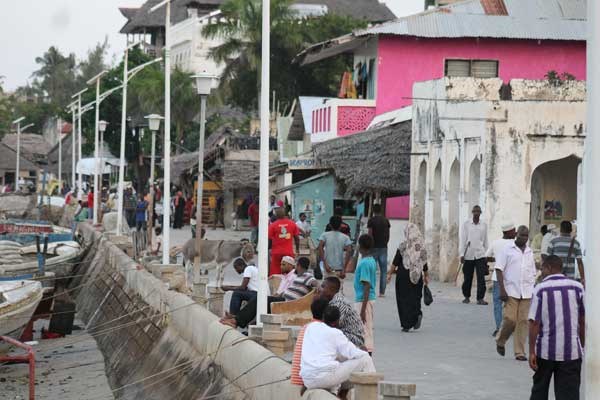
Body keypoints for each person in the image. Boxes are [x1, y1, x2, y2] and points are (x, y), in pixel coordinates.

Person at [528, 255, 585, 400]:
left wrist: (532, 351)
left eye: (542, 269)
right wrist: (581, 344)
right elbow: (582, 320)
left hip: (545, 352)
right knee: (569, 394)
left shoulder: (540, 289)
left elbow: (534, 323)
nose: (541, 272)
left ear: (549, 268)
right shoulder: (577, 288)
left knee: (539, 391)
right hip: (571, 352)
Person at [300, 301, 376, 398]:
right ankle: (373, 394)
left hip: (308, 379)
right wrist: (363, 351)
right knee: (365, 359)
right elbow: (353, 353)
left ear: (323, 318)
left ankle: (334, 392)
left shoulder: (311, 327)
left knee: (335, 360)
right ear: (337, 321)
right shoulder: (336, 333)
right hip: (324, 378)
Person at [220, 257, 317, 329]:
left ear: (298, 265)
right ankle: (236, 318)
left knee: (260, 299)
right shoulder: (299, 276)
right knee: (260, 300)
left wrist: (318, 288)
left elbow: (314, 282)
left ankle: (236, 321)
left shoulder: (307, 275)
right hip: (284, 299)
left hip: (287, 303)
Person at [495, 225, 537, 361]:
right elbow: (499, 269)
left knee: (523, 322)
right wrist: (502, 289)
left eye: (526, 236)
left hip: (527, 291)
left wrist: (533, 288)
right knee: (510, 319)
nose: (523, 238)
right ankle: (501, 340)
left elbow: (533, 271)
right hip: (511, 291)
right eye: (521, 235)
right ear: (516, 235)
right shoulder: (507, 249)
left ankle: (520, 352)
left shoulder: (529, 252)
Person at [387, 223, 429, 332]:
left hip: (403, 276)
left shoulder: (403, 245)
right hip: (416, 275)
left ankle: (406, 324)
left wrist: (389, 274)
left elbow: (396, 261)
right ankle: (417, 314)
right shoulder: (421, 246)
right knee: (415, 297)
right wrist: (426, 276)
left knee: (403, 299)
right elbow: (424, 263)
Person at [346, 234, 377, 354]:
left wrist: (363, 309)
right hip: (366, 299)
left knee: (364, 329)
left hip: (363, 300)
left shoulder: (364, 263)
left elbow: (366, 285)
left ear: (360, 246)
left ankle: (366, 354)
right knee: (364, 328)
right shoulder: (371, 260)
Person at [486, 222, 517, 337]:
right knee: (512, 303)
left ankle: (499, 327)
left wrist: (496, 259)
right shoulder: (515, 244)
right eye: (514, 231)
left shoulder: (496, 243)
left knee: (497, 304)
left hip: (497, 278)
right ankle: (511, 327)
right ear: (508, 232)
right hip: (512, 278)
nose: (515, 233)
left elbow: (486, 256)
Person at [320, 277, 365, 349]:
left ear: (332, 289)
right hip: (345, 333)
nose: (320, 289)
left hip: (354, 338)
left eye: (323, 287)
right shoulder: (333, 300)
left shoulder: (339, 303)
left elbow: (332, 325)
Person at [461, 205, 489, 305]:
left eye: (478, 212)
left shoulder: (484, 225)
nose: (476, 213)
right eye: (475, 211)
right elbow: (463, 240)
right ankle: (466, 296)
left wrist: (486, 254)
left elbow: (485, 240)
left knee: (481, 277)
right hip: (468, 254)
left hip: (480, 254)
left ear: (480, 213)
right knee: (467, 277)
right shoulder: (466, 224)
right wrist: (461, 254)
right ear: (472, 212)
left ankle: (480, 298)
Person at [268, 207, 300, 276]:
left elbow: (269, 239)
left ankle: (277, 282)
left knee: (275, 273)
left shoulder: (273, 225)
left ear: (276, 215)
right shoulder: (292, 224)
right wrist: (297, 249)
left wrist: (269, 249)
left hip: (276, 253)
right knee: (289, 273)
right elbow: (297, 238)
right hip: (288, 252)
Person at [367, 204, 391, 297]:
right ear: (381, 210)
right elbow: (388, 234)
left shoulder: (371, 221)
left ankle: (371, 291)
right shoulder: (386, 220)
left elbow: (370, 234)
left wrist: (369, 246)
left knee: (371, 270)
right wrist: (385, 243)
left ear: (373, 211)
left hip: (373, 248)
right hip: (383, 247)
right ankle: (382, 292)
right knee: (383, 271)